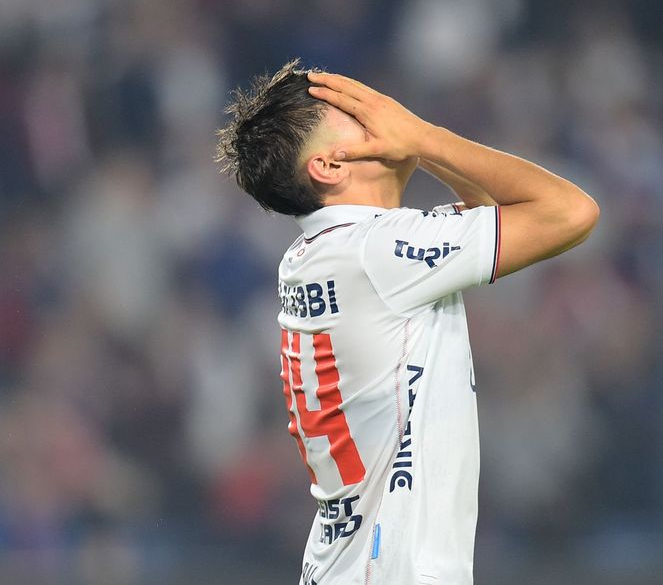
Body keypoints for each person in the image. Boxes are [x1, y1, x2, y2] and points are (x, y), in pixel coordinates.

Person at [216, 60, 599, 584]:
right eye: (355, 112)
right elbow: (569, 213)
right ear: (328, 166)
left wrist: (420, 142)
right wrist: (424, 136)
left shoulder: (332, 252)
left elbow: (494, 209)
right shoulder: (376, 251)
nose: (382, 114)